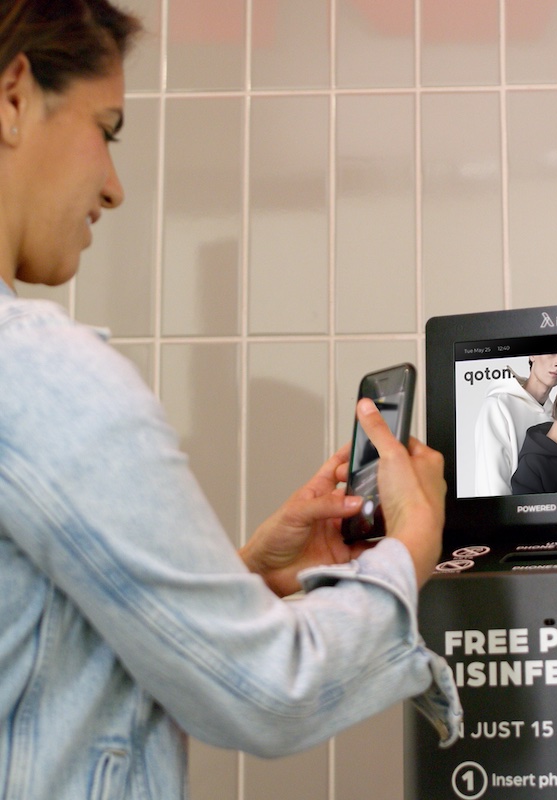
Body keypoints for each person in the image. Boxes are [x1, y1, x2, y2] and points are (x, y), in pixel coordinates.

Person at [0, 2, 460, 798]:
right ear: (13, 97)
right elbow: (269, 694)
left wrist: (240, 581)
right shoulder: (41, 371)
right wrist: (409, 547)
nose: (113, 187)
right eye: (107, 129)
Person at [473, 351, 557, 496]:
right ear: (532, 355)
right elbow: (492, 485)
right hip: (507, 510)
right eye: (552, 352)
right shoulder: (498, 406)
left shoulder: (556, 419)